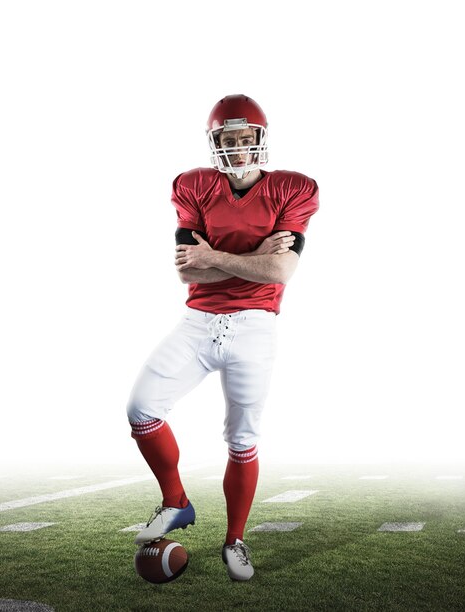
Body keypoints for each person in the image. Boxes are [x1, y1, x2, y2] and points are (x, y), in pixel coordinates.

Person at [126, 94, 319, 581]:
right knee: (141, 409)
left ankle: (235, 540)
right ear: (215, 143)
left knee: (242, 439)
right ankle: (176, 502)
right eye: (226, 140)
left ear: (260, 138)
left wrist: (221, 257)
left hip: (255, 325)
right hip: (197, 321)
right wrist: (253, 256)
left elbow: (281, 270)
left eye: (243, 138)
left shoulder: (295, 188)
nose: (236, 148)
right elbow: (189, 275)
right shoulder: (192, 185)